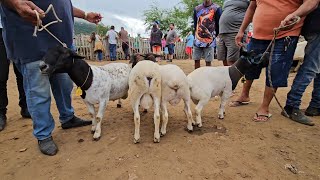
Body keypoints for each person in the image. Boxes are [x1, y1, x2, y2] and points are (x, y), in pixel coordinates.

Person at [0, 0, 102, 156]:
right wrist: (14, 3)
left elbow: (62, 4)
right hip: (31, 40)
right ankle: (43, 134)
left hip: (61, 43)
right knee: (39, 91)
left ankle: (67, 117)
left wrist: (85, 15)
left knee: (65, 84)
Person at [231, 0, 311, 122]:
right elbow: (252, 7)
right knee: (250, 65)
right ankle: (244, 95)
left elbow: (311, 2)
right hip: (257, 34)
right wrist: (241, 30)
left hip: (285, 34)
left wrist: (295, 14)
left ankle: (264, 107)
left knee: (276, 69)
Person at [283, 1, 320, 126]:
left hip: (315, 25)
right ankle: (291, 106)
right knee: (311, 67)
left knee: (316, 68)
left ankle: (316, 106)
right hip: (317, 27)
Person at [0, 13, 31, 131]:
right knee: (1, 74)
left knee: (22, 72)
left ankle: (25, 106)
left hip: (19, 28)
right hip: (1, 30)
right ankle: (1, 111)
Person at [217, 0, 250, 66]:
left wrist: (243, 30)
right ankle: (227, 76)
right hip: (223, 32)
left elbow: (254, 9)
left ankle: (235, 76)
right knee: (224, 58)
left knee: (232, 60)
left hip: (235, 31)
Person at [193, 0, 222, 69]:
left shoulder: (216, 8)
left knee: (208, 61)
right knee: (196, 60)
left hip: (209, 40)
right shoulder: (197, 8)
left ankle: (208, 77)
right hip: (198, 39)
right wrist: (197, 34)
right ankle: (196, 77)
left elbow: (219, 23)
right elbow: (195, 23)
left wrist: (214, 36)